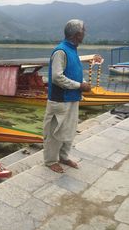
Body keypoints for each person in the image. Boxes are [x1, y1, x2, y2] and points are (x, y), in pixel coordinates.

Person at [43, 19, 102, 173]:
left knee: (69, 130)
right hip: (60, 99)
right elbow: (57, 77)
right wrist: (79, 86)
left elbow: (74, 73)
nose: (85, 33)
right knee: (55, 132)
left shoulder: (72, 50)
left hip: (72, 98)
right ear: (77, 34)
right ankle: (50, 161)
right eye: (84, 30)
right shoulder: (60, 51)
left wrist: (82, 83)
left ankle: (63, 156)